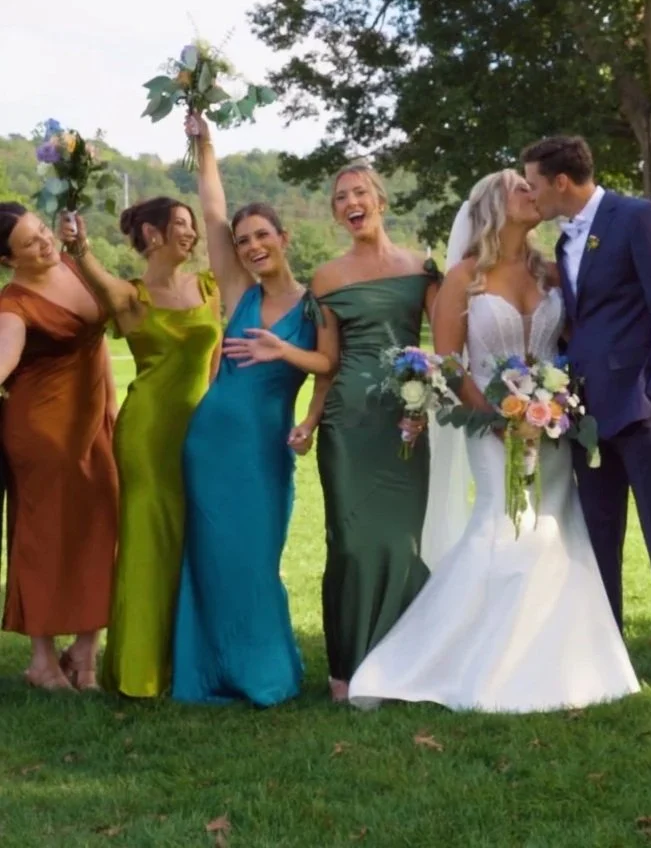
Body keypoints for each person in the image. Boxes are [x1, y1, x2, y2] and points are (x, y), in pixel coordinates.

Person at [347, 170, 640, 712]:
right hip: (489, 429)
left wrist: (553, 405)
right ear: (492, 207)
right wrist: (497, 416)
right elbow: (452, 362)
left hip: (551, 429)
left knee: (555, 533)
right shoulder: (463, 278)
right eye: (521, 189)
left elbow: (575, 344)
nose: (534, 193)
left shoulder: (552, 273)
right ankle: (433, 663)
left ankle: (559, 663)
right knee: (503, 530)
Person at [167, 114, 340, 706]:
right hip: (209, 443)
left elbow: (327, 365)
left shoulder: (317, 302)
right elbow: (212, 212)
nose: (252, 246)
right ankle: (209, 673)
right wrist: (205, 146)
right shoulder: (240, 294)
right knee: (211, 557)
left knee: (254, 558)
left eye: (263, 235)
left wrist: (283, 355)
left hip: (264, 450)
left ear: (284, 239)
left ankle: (263, 675)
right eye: (244, 242)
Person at [521, 136, 651, 704]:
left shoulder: (639, 218)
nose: (530, 193)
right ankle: (606, 655)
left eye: (533, 183)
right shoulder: (563, 238)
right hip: (585, 415)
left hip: (644, 409)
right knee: (600, 541)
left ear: (561, 182)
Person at [289, 163, 440, 702]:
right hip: (348, 424)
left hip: (405, 422)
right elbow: (327, 362)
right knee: (350, 544)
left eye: (359, 193)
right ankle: (346, 670)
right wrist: (309, 420)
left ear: (380, 200)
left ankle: (401, 664)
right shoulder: (327, 278)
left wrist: (430, 397)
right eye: (339, 198)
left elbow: (444, 343)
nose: (350, 203)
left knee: (401, 542)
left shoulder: (422, 268)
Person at [61, 198, 221, 697]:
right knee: (149, 542)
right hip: (149, 434)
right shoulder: (131, 296)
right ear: (152, 234)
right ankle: (138, 674)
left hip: (202, 431)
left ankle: (188, 663)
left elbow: (214, 361)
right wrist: (78, 244)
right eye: (179, 225)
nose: (190, 234)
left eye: (192, 226)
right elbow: (92, 270)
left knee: (194, 543)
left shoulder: (209, 287)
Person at [0, 204, 118, 690]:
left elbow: (99, 341)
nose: (45, 243)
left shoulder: (74, 266)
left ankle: (86, 655)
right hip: (43, 432)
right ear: (9, 261)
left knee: (103, 527)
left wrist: (110, 403)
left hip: (94, 422)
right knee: (44, 537)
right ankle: (42, 661)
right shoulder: (12, 306)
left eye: (43, 230)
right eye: (30, 243)